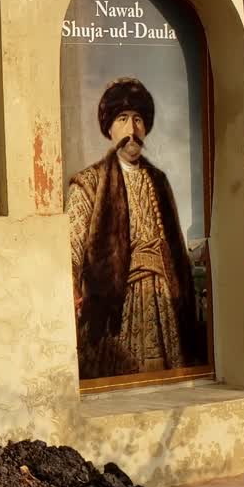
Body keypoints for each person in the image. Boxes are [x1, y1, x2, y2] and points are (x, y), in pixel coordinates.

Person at [66, 77, 201, 379]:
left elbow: (177, 251)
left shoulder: (159, 181)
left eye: (138, 119)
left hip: (165, 304)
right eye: (122, 119)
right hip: (116, 308)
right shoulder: (89, 184)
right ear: (109, 128)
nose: (131, 130)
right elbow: (71, 250)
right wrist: (72, 288)